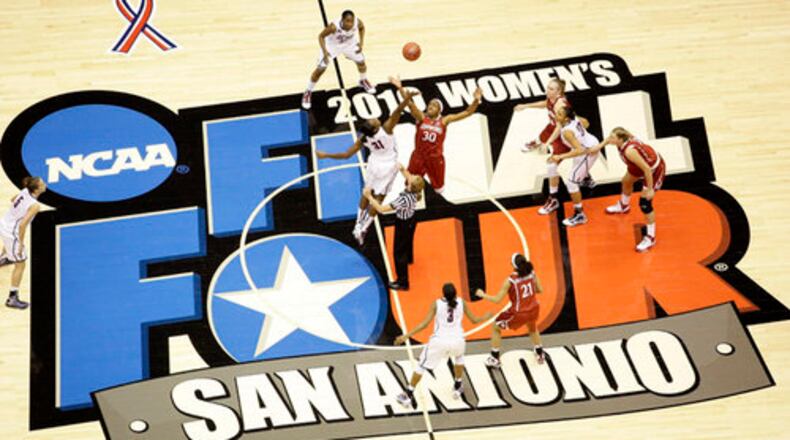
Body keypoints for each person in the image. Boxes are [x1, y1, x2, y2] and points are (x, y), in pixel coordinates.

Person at [316, 90, 416, 245]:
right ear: (376, 128)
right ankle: (363, 228)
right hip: (388, 166)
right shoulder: (386, 130)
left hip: (373, 164)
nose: (375, 118)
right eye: (373, 121)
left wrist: (326, 155)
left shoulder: (363, 138)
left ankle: (358, 223)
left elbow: (346, 154)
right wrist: (407, 98)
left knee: (366, 193)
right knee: (378, 199)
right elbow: (397, 111)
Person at [394, 283, 491, 408]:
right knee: (459, 357)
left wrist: (405, 336)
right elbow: (474, 320)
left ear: (443, 294)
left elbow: (424, 324)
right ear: (456, 293)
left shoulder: (437, 304)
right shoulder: (462, 302)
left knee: (421, 365)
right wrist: (486, 317)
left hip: (439, 341)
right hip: (458, 340)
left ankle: (408, 394)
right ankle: (457, 386)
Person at [390, 76, 482, 195]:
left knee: (439, 189)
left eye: (434, 105)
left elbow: (467, 112)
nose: (430, 106)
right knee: (409, 185)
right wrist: (400, 88)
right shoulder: (422, 118)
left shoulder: (444, 120)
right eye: (429, 104)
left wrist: (476, 100)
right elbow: (410, 104)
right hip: (418, 157)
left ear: (440, 110)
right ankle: (410, 203)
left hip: (435, 159)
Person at [514, 78, 594, 214]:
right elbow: (545, 104)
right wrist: (526, 105)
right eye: (548, 87)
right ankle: (585, 177)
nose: (548, 90)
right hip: (557, 129)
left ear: (559, 92)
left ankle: (554, 199)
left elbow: (558, 127)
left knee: (551, 165)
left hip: (565, 136)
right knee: (544, 134)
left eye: (551, 89)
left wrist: (547, 143)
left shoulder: (560, 105)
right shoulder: (552, 100)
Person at [588, 127, 666, 252]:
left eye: (613, 137)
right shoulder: (622, 139)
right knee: (626, 181)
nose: (610, 138)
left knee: (645, 204)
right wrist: (595, 148)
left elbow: (646, 169)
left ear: (620, 139)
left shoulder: (630, 151)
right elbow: (605, 142)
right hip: (637, 166)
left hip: (653, 170)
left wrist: (650, 189)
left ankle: (651, 237)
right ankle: (624, 206)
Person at [474, 253, 545, 366]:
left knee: (496, 326)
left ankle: (494, 357)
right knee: (532, 327)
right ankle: (540, 353)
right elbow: (540, 290)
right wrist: (525, 294)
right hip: (534, 309)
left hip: (519, 312)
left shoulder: (510, 280)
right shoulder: (532, 273)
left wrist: (483, 295)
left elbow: (497, 300)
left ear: (513, 264)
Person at [363, 168, 425, 290]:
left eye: (411, 179)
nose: (409, 177)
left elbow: (381, 209)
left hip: (403, 224)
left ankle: (403, 282)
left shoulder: (404, 199)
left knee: (398, 252)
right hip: (411, 219)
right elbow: (407, 174)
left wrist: (369, 197)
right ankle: (409, 258)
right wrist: (398, 167)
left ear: (410, 185)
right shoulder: (416, 192)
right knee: (408, 242)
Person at [302, 10, 375, 110]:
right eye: (347, 21)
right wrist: (325, 51)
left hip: (349, 44)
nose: (350, 24)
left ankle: (363, 80)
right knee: (320, 69)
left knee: (361, 63)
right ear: (342, 20)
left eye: (351, 21)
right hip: (332, 46)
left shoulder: (357, 22)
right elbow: (321, 36)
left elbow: (362, 28)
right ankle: (308, 91)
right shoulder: (334, 27)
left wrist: (361, 43)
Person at [547, 106, 601, 227]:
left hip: (587, 152)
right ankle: (587, 180)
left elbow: (579, 150)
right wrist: (581, 135)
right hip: (590, 142)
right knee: (577, 169)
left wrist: (560, 157)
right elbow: (586, 123)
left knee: (571, 182)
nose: (556, 115)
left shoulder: (567, 132)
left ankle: (580, 215)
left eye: (559, 114)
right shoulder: (574, 118)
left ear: (566, 118)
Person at [1, 176, 46, 309]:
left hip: (4, 223)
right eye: (42, 184)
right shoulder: (35, 205)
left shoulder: (25, 191)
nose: (45, 184)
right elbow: (22, 225)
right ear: (37, 189)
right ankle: (12, 298)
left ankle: (5, 258)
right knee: (21, 265)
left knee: (10, 247)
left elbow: (13, 199)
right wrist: (21, 243)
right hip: (12, 231)